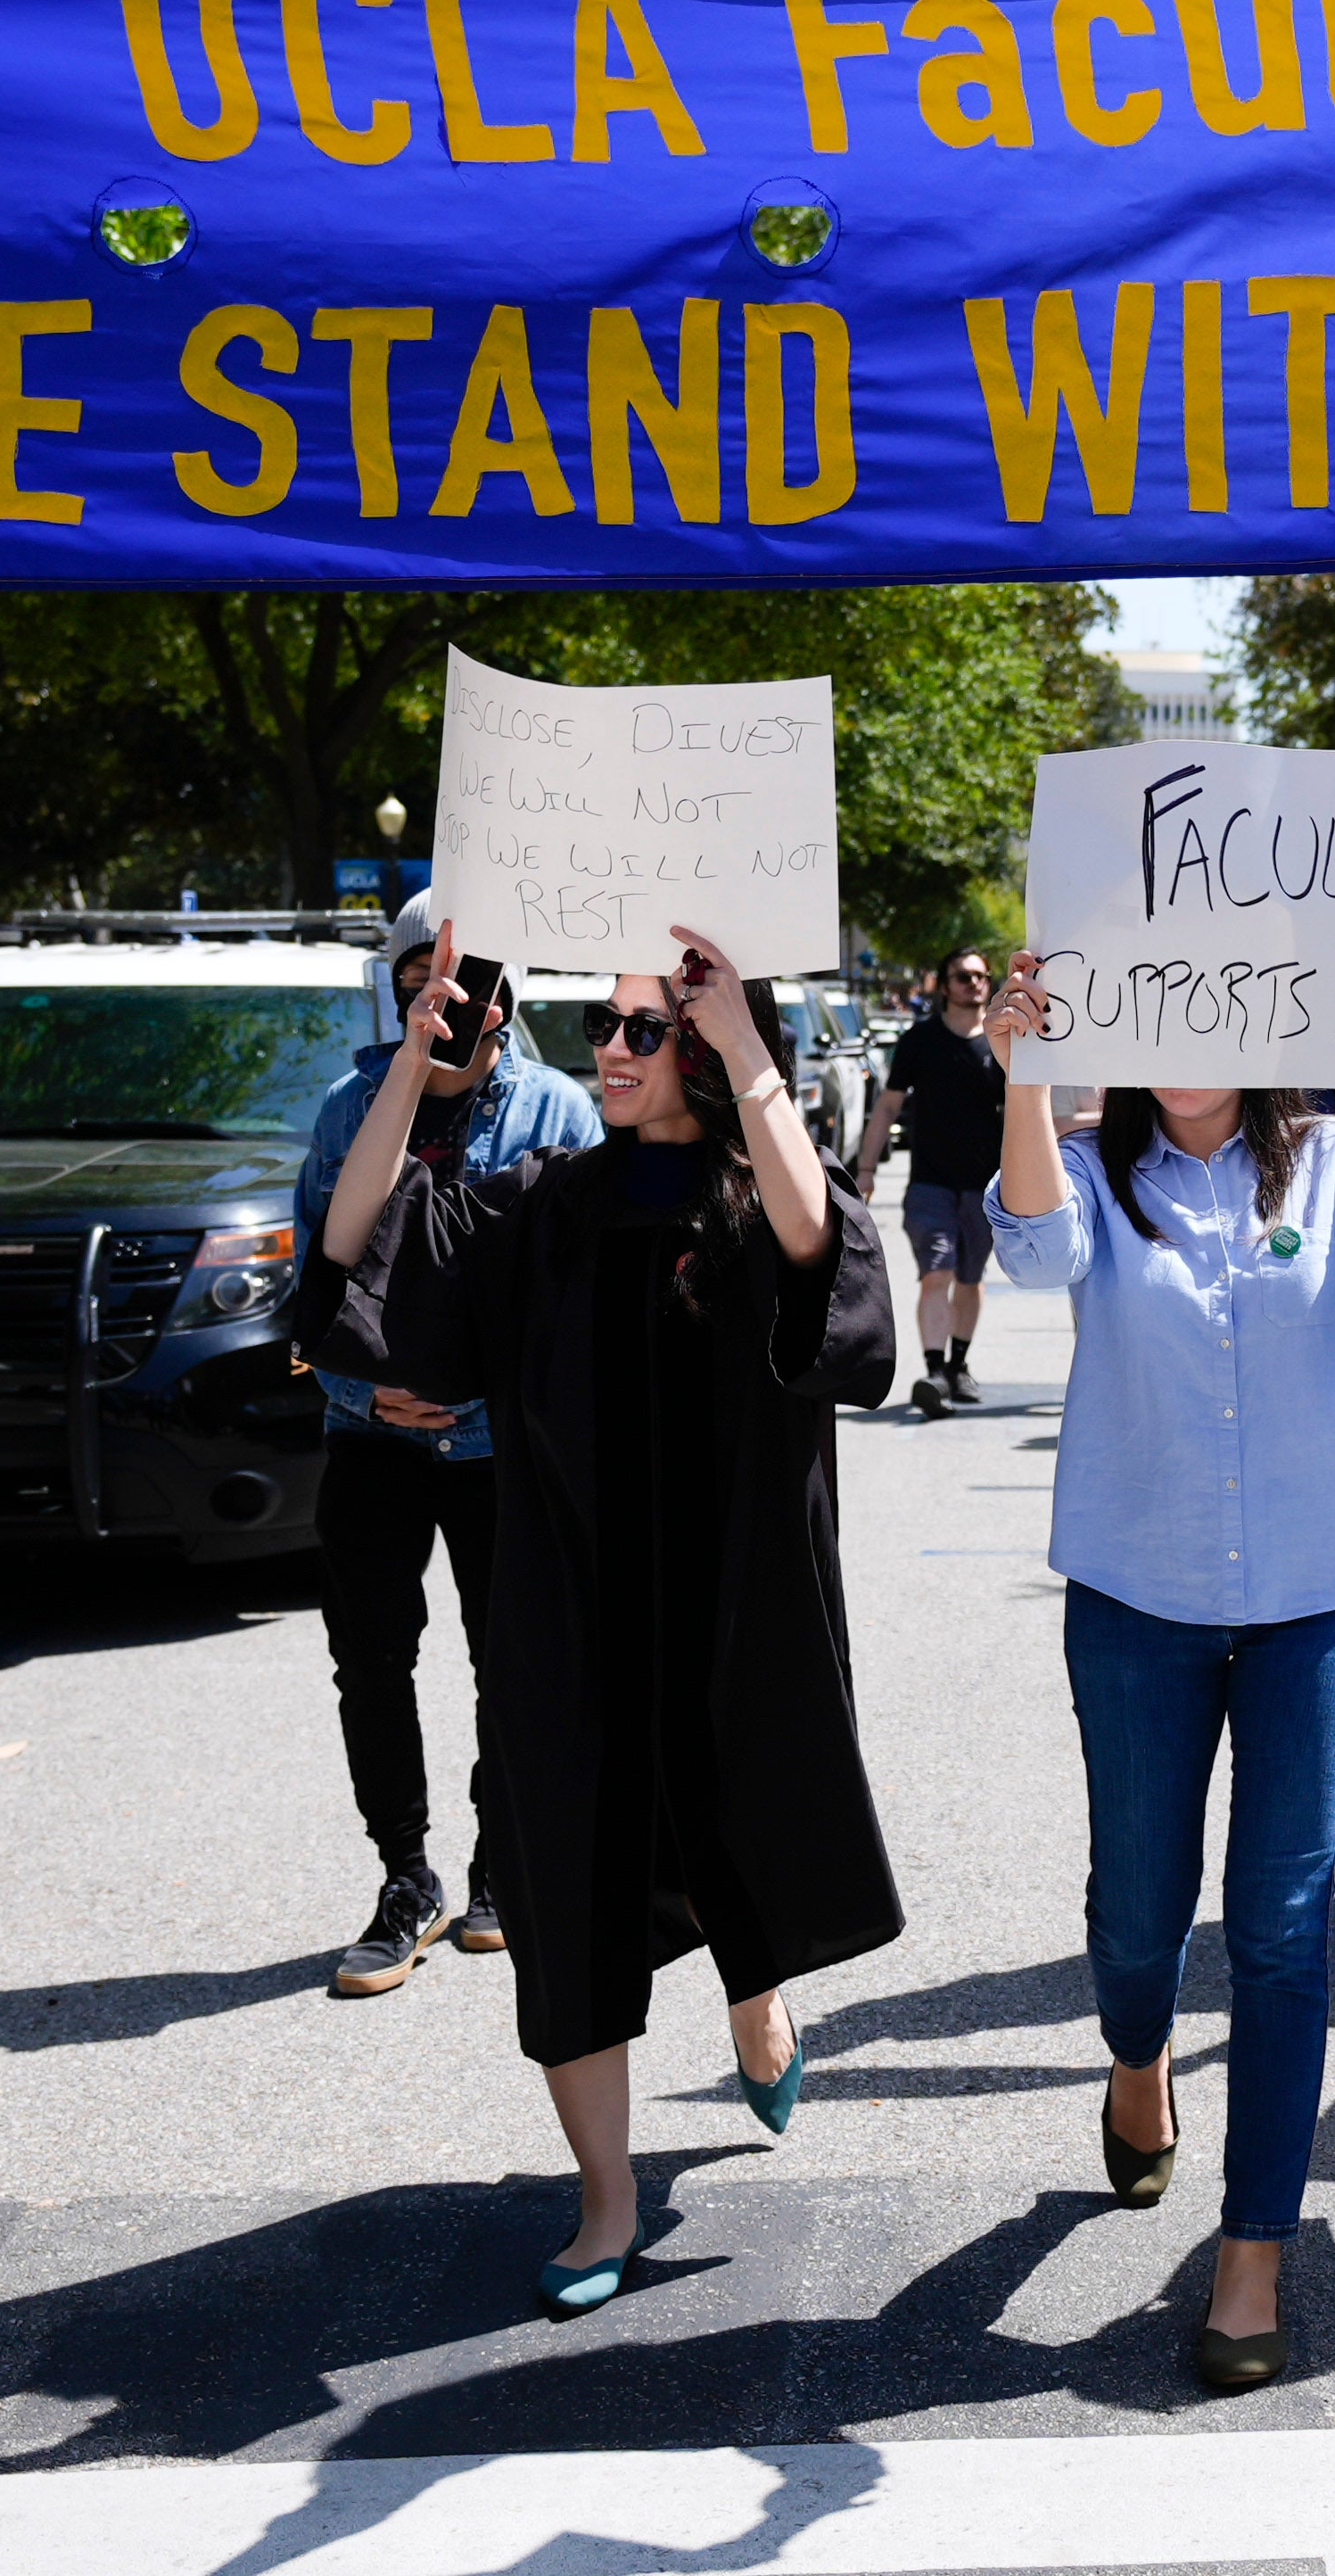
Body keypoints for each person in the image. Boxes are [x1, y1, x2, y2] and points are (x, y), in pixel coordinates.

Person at [303, 921, 902, 2318]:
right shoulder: (537, 1202)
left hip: (733, 1598)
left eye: (646, 1027)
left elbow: (826, 1262)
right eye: (607, 1027)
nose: (613, 1050)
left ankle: (756, 1990)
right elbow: (351, 1251)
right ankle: (607, 2195)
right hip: (563, 1601)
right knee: (564, 1881)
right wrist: (416, 1068)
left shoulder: (762, 1196)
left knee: (740, 1824)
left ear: (703, 1045)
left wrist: (750, 1039)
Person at [985, 964, 1335, 2390]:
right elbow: (1034, 1258)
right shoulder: (1085, 1169)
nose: (1180, 1044)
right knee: (1137, 1909)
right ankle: (1136, 2053)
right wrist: (1021, 1069)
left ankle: (1253, 2252)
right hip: (1139, 1588)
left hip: (1324, 1590)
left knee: (1284, 1926)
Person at [300, 889, 600, 1994]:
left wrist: (490, 1399)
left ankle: (496, 1868)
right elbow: (313, 1281)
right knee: (370, 1662)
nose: (445, 999)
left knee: (508, 1661)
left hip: (498, 1449)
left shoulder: (556, 1112)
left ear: (507, 995)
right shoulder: (349, 1108)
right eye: (418, 978)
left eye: (465, 980)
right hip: (365, 1437)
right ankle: (404, 1875)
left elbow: (578, 1302)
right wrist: (361, 1390)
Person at [854, 948, 1009, 1417]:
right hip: (930, 1184)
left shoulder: (1004, 1046)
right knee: (936, 1273)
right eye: (963, 977)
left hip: (986, 1187)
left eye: (982, 977)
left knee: (969, 1278)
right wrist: (865, 1170)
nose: (974, 984)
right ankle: (934, 1371)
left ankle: (958, 1366)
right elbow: (887, 1106)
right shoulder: (920, 1040)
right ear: (944, 984)